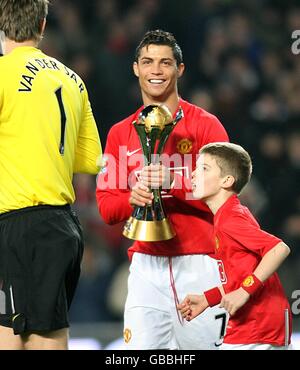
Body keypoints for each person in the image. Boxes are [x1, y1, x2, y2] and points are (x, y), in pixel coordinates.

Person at [96, 29, 229, 349]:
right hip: (146, 268)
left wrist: (175, 184)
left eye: (165, 63)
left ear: (179, 70)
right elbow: (105, 208)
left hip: (202, 263)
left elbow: (227, 196)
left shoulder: (206, 125)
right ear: (135, 68)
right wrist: (132, 198)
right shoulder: (118, 133)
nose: (155, 70)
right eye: (147, 62)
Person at [0, 0, 102, 350]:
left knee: (18, 335)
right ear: (43, 25)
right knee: (35, 330)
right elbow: (89, 159)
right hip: (62, 228)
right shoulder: (72, 79)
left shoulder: (2, 74)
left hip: (19, 227)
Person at [178, 142, 292, 350]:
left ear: (227, 180)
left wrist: (245, 292)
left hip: (258, 325)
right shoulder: (228, 215)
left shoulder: (230, 219)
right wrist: (207, 298)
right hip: (259, 323)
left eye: (204, 168)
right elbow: (241, 274)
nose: (193, 174)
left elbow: (279, 249)